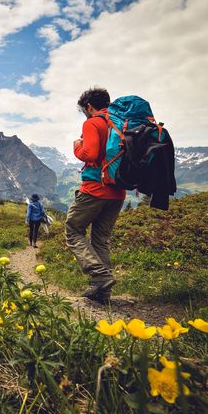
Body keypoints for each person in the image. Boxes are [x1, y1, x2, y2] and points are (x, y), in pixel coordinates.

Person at [65, 87, 126, 304]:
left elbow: (89, 154)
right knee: (101, 239)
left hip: (95, 188)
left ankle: (100, 276)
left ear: (89, 106)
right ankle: (103, 294)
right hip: (118, 191)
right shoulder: (120, 123)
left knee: (73, 230)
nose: (85, 114)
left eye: (84, 110)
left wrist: (76, 147)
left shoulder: (92, 122)